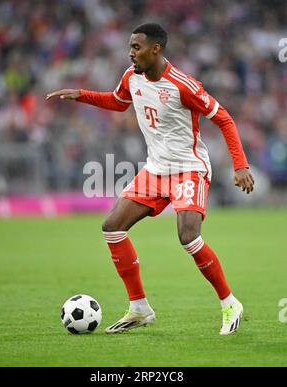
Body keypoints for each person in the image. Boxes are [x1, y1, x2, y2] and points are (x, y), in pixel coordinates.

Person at [46, 23, 255, 335]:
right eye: (130, 47)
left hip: (189, 168)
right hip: (155, 170)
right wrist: (81, 95)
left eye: (137, 47)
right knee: (112, 228)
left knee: (188, 236)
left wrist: (240, 166)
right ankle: (139, 308)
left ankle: (229, 303)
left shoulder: (183, 85)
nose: (131, 53)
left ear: (156, 49)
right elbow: (118, 102)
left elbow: (223, 118)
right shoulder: (131, 77)